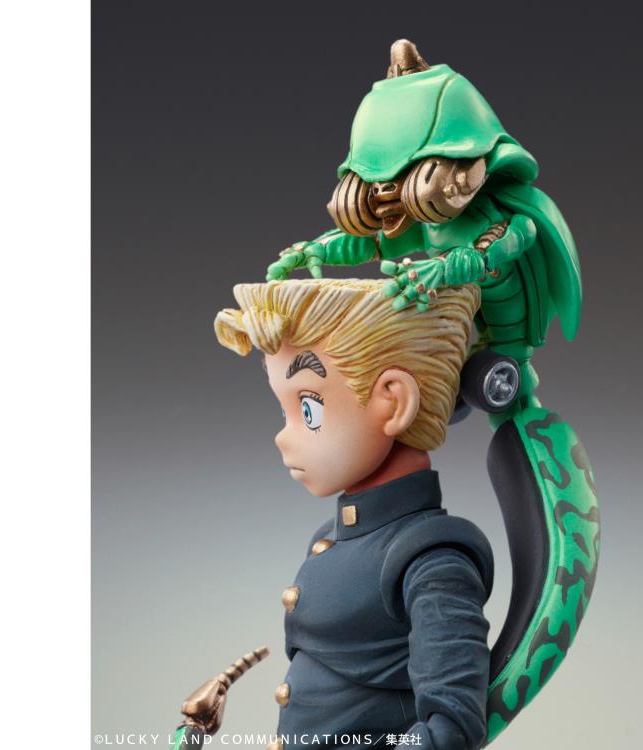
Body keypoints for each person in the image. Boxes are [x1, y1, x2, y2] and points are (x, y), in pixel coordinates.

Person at [211, 278, 493, 750]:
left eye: (309, 409)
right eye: (285, 411)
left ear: (393, 401)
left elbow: (451, 730)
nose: (283, 436)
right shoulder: (335, 537)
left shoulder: (431, 560)